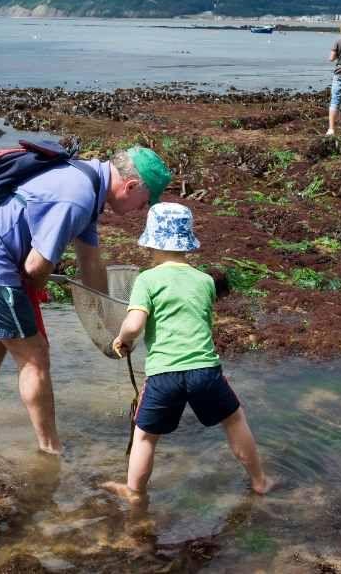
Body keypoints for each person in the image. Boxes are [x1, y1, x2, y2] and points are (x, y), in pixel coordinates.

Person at [0, 146, 172, 455]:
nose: (142, 210)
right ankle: (51, 450)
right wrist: (34, 291)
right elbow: (36, 267)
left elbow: (91, 265)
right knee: (35, 357)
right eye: (145, 201)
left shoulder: (84, 178)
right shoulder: (79, 197)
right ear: (130, 186)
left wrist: (108, 319)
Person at [102, 202, 273, 503]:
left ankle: (135, 493)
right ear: (187, 243)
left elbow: (134, 323)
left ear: (152, 242)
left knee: (145, 437)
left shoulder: (147, 279)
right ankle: (259, 482)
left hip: (163, 375)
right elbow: (203, 324)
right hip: (205, 371)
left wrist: (123, 339)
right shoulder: (205, 281)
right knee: (234, 421)